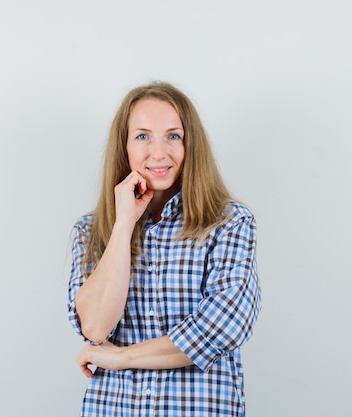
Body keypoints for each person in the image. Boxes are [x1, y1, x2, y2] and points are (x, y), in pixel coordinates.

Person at [67, 81, 262, 417]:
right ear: (124, 146)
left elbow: (225, 325)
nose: (159, 153)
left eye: (173, 136)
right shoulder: (91, 232)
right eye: (143, 136)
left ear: (190, 145)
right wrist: (124, 223)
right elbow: (96, 327)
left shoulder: (228, 223)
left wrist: (122, 357)